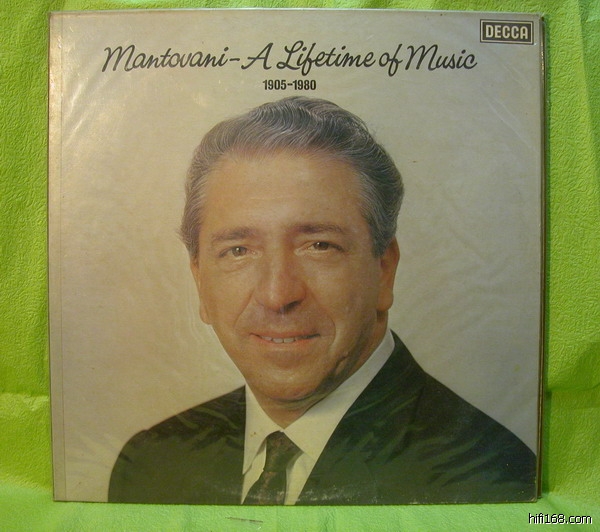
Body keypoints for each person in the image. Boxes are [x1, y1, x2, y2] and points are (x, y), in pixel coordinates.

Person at [108, 97, 536, 505]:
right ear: (200, 280)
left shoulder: (488, 478)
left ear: (384, 271)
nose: (278, 295)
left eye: (319, 246)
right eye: (238, 250)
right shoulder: (150, 465)